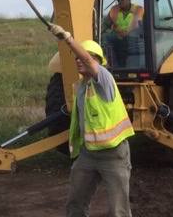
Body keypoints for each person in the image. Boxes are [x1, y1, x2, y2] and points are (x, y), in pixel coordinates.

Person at [49, 24, 135, 217]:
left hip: (113, 155)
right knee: (76, 205)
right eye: (76, 58)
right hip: (87, 154)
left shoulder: (104, 80)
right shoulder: (80, 86)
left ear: (98, 62)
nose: (80, 61)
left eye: (85, 58)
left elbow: (88, 60)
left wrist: (68, 39)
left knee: (118, 211)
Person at [101, 0, 144, 67]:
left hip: (133, 39)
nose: (120, 1)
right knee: (104, 37)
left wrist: (128, 33)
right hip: (117, 38)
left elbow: (143, 28)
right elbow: (105, 26)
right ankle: (113, 65)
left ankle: (132, 67)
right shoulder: (114, 10)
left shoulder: (139, 10)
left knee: (133, 39)